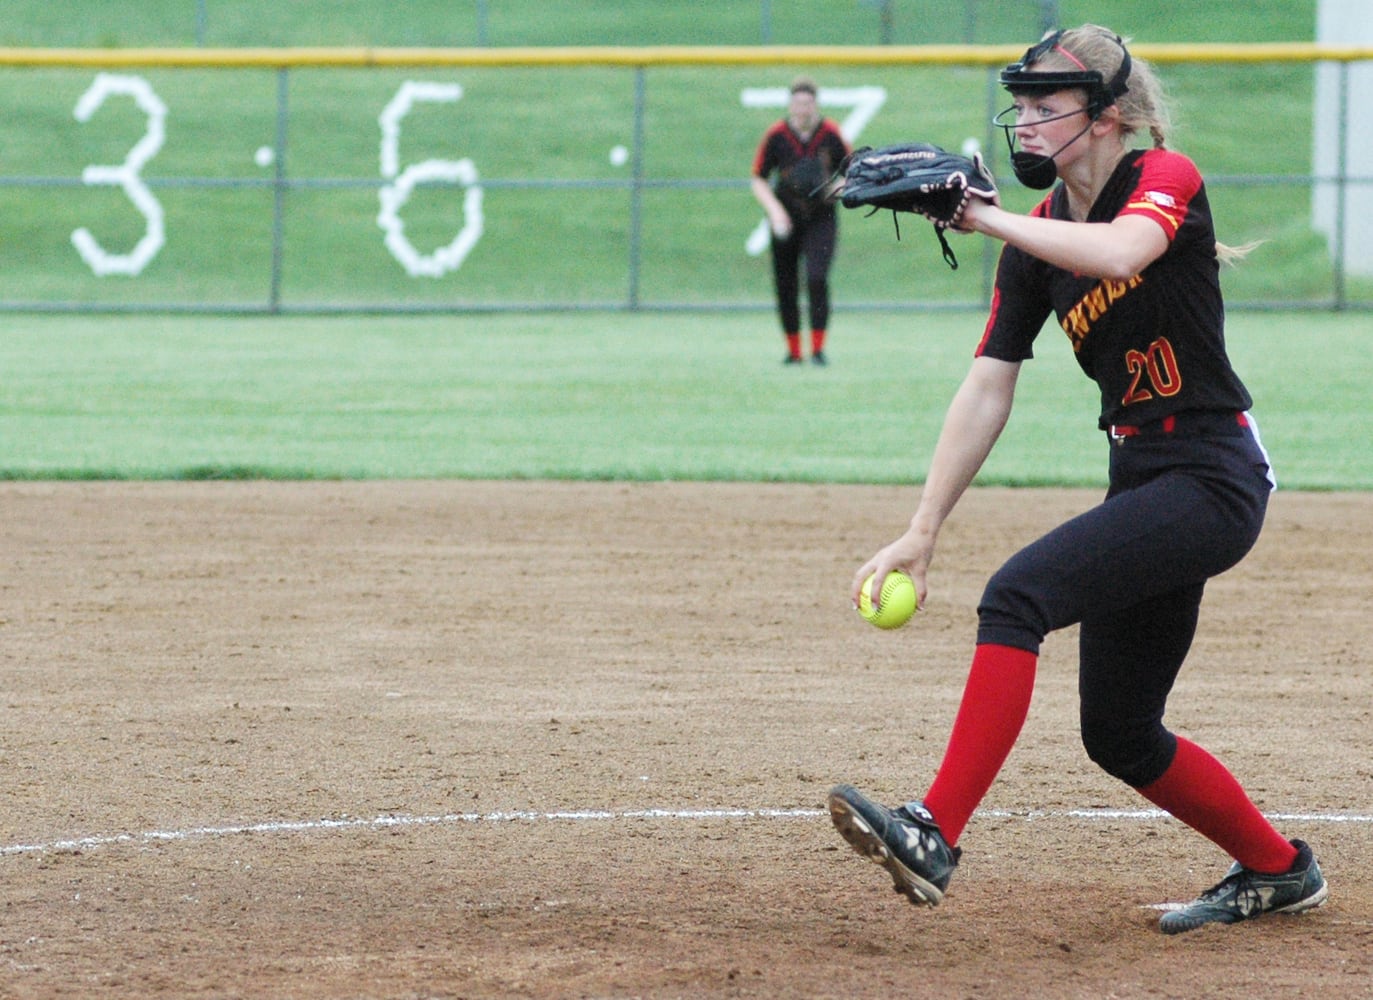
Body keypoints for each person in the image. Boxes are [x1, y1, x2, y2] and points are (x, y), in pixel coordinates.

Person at [827, 24, 1328, 935]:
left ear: (1108, 117)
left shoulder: (1161, 177)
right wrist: (922, 527)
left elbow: (1122, 254)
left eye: (1045, 105)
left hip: (1212, 473)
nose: (1023, 123)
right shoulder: (1037, 238)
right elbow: (987, 385)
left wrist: (976, 215)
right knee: (1120, 732)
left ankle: (934, 830)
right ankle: (1276, 867)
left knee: (1017, 596)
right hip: (1141, 478)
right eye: (1016, 105)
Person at [751, 76, 851, 366]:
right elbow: (758, 178)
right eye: (797, 102)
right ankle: (794, 351)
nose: (802, 108)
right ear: (790, 104)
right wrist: (775, 212)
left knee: (817, 278)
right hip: (786, 216)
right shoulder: (777, 135)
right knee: (786, 283)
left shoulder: (830, 133)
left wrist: (837, 188)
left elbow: (852, 170)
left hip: (821, 215)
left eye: (808, 103)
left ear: (815, 104)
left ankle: (818, 349)